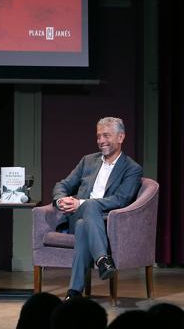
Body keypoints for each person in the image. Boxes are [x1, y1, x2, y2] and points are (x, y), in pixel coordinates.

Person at [52, 117, 142, 301]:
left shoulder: (132, 168)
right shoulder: (88, 161)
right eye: (99, 136)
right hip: (75, 215)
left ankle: (74, 293)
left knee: (85, 223)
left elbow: (121, 199)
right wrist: (61, 199)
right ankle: (102, 260)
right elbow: (63, 184)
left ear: (121, 137)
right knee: (87, 209)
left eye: (106, 135)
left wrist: (83, 203)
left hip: (107, 221)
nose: (101, 141)